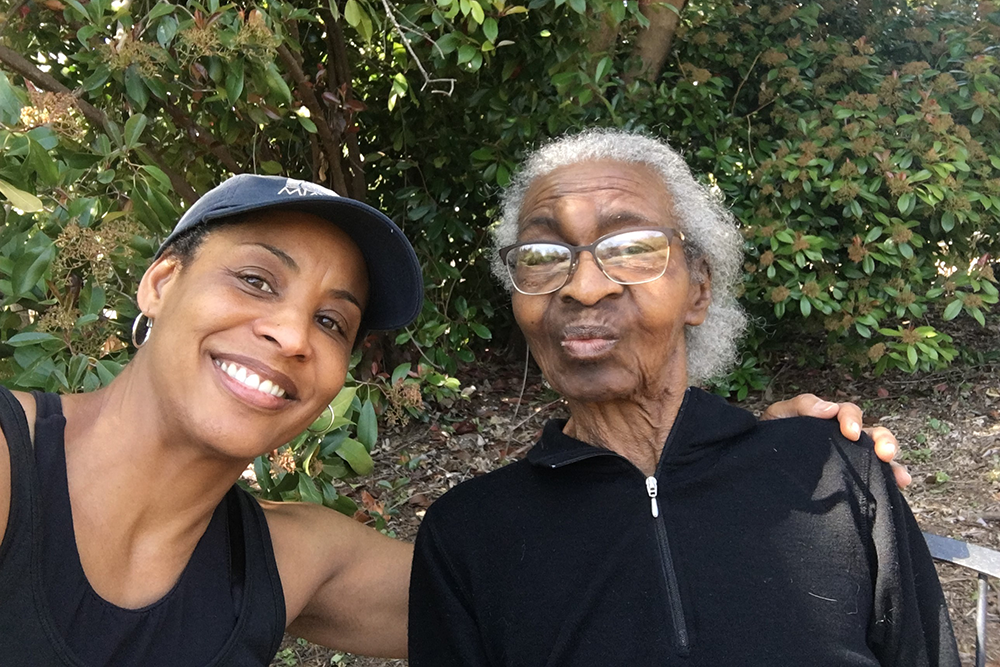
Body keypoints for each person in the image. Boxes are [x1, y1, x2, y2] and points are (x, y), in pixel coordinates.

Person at [0, 174, 902, 665]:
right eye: (255, 279)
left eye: (332, 320)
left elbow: (565, 579)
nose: (286, 332)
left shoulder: (289, 556)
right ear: (161, 283)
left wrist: (769, 464)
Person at [407, 129, 958, 666]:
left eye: (632, 247)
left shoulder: (837, 469)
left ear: (698, 288)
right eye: (543, 255)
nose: (583, 286)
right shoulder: (468, 534)